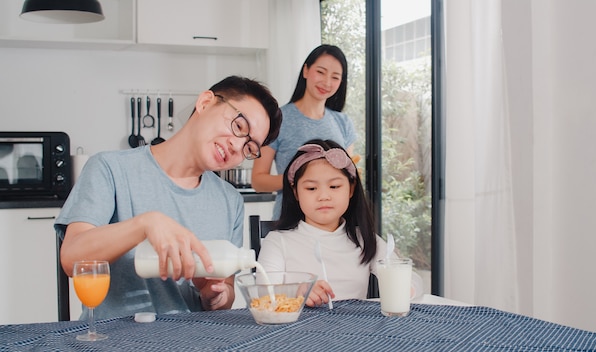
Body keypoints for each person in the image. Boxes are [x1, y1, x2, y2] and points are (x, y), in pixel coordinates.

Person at [55, 76, 282, 320]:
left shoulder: (229, 200)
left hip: (191, 340)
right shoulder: (110, 169)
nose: (237, 147)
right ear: (205, 102)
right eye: (239, 127)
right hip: (115, 339)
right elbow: (72, 259)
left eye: (249, 148)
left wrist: (214, 296)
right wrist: (145, 225)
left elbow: (225, 292)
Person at [257, 139, 394, 307]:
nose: (323, 196)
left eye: (334, 186)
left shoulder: (364, 239)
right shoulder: (278, 241)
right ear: (296, 193)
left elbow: (409, 279)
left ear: (351, 189)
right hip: (297, 332)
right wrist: (296, 292)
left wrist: (405, 288)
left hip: (356, 331)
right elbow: (264, 296)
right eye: (311, 188)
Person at [251, 44, 357, 220]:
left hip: (335, 223)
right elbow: (258, 181)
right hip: (290, 221)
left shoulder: (343, 123)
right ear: (306, 70)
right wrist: (299, 179)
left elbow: (347, 178)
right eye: (321, 72)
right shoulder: (278, 119)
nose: (327, 82)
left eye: (335, 77)